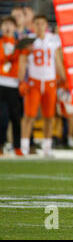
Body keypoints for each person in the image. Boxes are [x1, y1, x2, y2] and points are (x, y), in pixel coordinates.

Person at [18, 14, 66, 157]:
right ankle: (24, 146)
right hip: (34, 81)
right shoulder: (28, 40)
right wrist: (21, 80)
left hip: (50, 82)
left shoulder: (53, 40)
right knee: (29, 115)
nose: (39, 26)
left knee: (49, 116)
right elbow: (22, 61)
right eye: (37, 23)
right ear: (33, 25)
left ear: (46, 25)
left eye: (42, 23)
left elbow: (57, 61)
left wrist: (64, 78)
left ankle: (47, 147)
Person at [0, 16, 27, 156]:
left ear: (15, 27)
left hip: (13, 84)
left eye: (10, 24)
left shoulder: (19, 45)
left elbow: (22, 63)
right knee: (2, 116)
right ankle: (1, 145)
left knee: (16, 117)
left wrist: (22, 81)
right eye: (5, 24)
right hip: (0, 82)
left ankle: (17, 146)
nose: (7, 27)